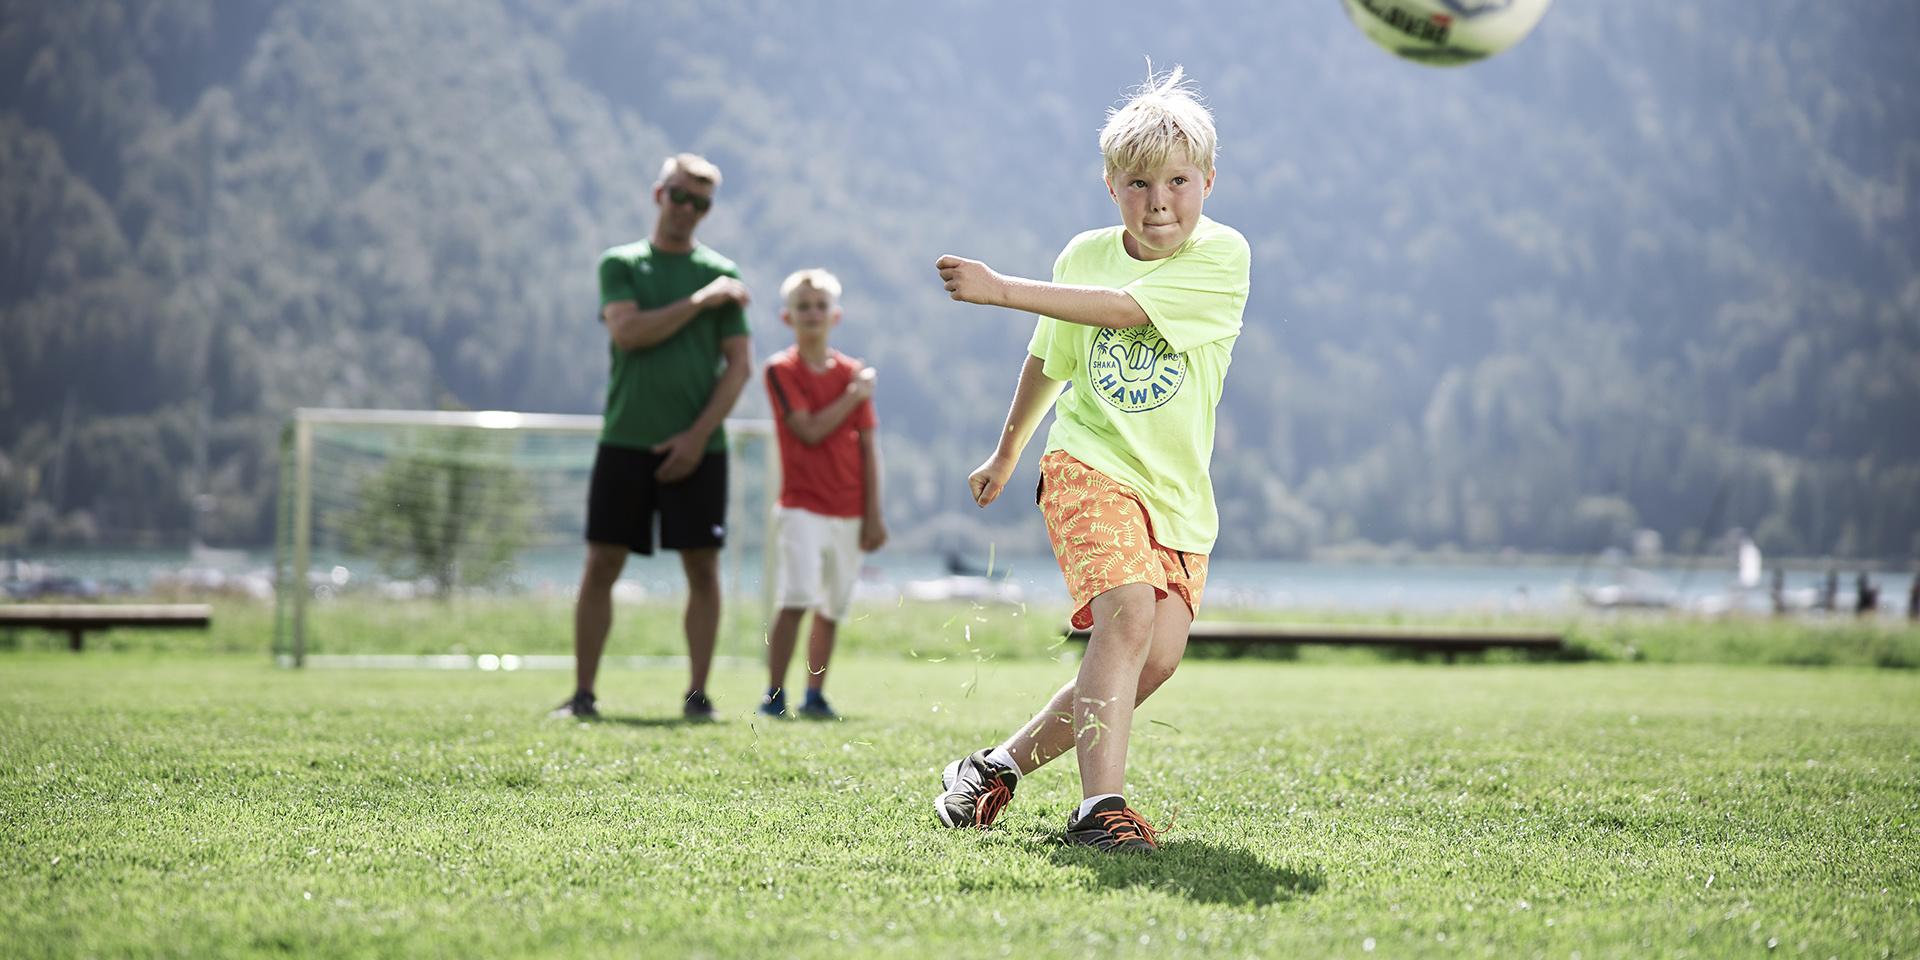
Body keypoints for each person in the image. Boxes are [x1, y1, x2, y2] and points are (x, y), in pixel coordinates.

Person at [928, 66, 1250, 852]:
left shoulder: (1223, 257)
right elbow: (1052, 358)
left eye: (1178, 180)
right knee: (1128, 615)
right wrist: (1008, 453)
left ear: (1209, 180)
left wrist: (1003, 288)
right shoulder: (1083, 255)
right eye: (1139, 183)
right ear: (1111, 186)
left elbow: (1127, 311)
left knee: (1154, 659)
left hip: (1177, 495)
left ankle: (994, 768)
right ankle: (1100, 808)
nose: (1160, 200)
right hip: (1086, 465)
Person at [553, 153, 752, 722]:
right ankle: (584, 696)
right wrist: (702, 301)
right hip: (626, 441)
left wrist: (695, 438)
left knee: (703, 571)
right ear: (658, 194)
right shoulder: (622, 264)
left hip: (701, 449)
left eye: (701, 203)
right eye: (680, 196)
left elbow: (738, 368)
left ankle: (698, 697)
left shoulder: (724, 274)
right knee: (601, 565)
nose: (688, 210)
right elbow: (629, 332)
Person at [759, 269, 887, 720]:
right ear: (786, 316)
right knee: (795, 598)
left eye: (819, 306)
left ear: (835, 315)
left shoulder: (852, 373)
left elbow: (869, 447)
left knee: (832, 606)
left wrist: (874, 515)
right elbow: (808, 430)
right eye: (803, 307)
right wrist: (854, 396)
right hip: (801, 506)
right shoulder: (780, 370)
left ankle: (814, 695)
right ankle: (773, 693)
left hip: (849, 508)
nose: (811, 314)